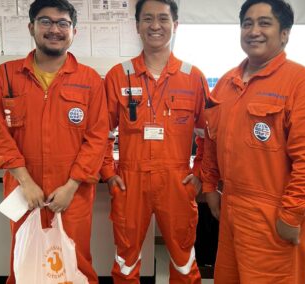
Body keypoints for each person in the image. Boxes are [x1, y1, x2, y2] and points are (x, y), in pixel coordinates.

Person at [201, 0, 305, 283]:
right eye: (247, 23)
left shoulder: (304, 86)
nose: (254, 31)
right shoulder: (227, 83)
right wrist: (209, 186)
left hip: (275, 214)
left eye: (265, 23)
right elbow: (211, 141)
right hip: (231, 210)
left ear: (285, 33)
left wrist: (291, 215)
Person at [0, 0, 109, 283]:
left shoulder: (89, 80)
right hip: (23, 190)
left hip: (72, 193)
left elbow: (97, 137)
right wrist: (26, 182)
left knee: (75, 262)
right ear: (31, 27)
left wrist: (72, 185)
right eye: (46, 22)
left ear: (73, 31)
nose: (54, 29)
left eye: (63, 23)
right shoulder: (5, 76)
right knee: (24, 258)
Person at [100, 0, 209, 282]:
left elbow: (207, 134)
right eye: (147, 19)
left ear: (175, 25)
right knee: (125, 261)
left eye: (163, 18)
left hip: (176, 181)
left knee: (184, 260)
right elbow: (100, 132)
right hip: (130, 180)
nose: (155, 26)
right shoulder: (117, 75)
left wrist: (199, 173)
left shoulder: (193, 77)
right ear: (137, 26)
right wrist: (109, 174)